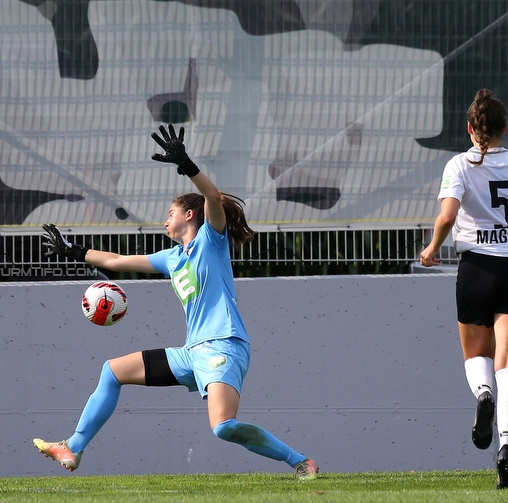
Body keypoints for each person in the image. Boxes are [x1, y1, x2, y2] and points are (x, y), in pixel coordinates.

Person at [33, 124, 319, 479]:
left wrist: (187, 164)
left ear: (188, 216)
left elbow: (213, 199)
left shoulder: (211, 241)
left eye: (170, 213)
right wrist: (74, 251)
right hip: (192, 353)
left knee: (223, 427)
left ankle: (300, 461)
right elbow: (119, 262)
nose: (165, 219)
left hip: (222, 346)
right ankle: (73, 446)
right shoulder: (172, 257)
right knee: (112, 371)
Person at [420, 89, 508, 489]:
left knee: (477, 355)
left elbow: (447, 216)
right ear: (504, 129)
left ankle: (483, 394)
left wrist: (431, 248)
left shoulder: (458, 165)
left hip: (476, 268)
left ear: (470, 128)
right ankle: (507, 446)